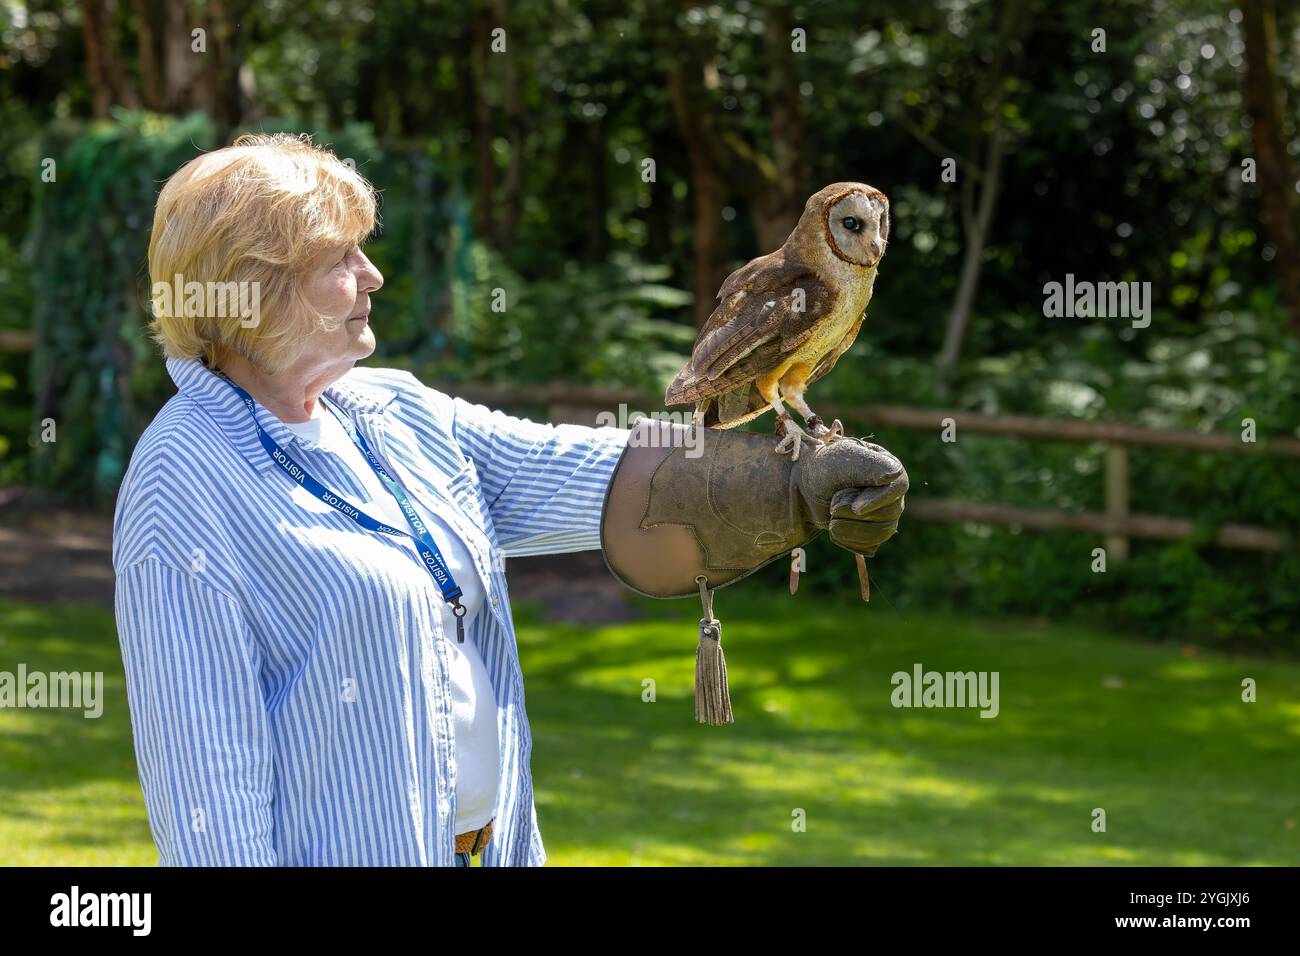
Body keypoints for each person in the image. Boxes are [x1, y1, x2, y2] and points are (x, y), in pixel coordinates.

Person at [113, 131, 907, 867]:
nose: (372, 276)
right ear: (251, 289)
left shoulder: (392, 412)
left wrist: (793, 484)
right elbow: (209, 799)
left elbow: (589, 473)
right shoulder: (183, 482)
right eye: (339, 258)